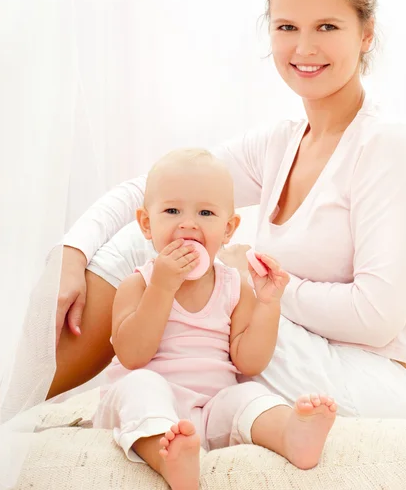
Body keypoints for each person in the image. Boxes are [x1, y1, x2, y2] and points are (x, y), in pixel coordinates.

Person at [48, 0, 406, 420]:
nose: (304, 47)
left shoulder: (390, 146)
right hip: (300, 352)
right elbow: (151, 192)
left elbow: (376, 318)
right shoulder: (280, 142)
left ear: (366, 33)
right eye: (286, 27)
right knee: (162, 227)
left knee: (187, 272)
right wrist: (72, 251)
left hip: (375, 378)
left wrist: (251, 277)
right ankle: (25, 389)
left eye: (327, 27)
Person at [93, 149, 336, 489]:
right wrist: (162, 287)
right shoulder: (138, 284)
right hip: (146, 404)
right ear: (147, 224)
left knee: (247, 393)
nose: (188, 223)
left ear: (228, 228)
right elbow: (133, 356)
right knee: (140, 387)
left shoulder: (235, 287)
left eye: (206, 212)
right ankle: (167, 455)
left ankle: (290, 433)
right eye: (172, 210)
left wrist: (268, 304)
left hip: (212, 409)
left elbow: (249, 361)